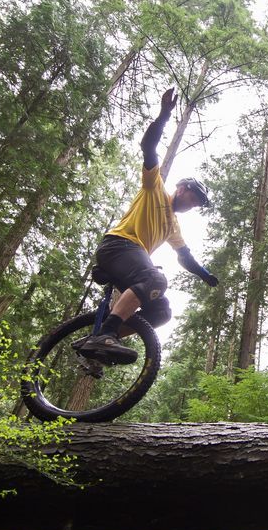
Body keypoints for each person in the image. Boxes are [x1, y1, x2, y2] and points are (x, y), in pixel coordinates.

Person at [77, 87, 218, 364]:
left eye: (198, 204)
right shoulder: (155, 188)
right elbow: (148, 147)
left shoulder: (173, 226)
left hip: (131, 262)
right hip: (118, 245)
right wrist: (164, 115)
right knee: (156, 279)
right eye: (194, 196)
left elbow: (185, 257)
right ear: (181, 188)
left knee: (161, 313)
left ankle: (103, 336)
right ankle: (105, 333)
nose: (194, 204)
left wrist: (204, 274)